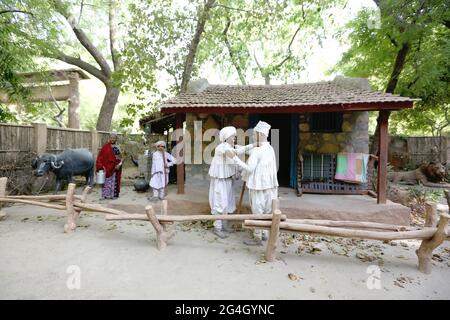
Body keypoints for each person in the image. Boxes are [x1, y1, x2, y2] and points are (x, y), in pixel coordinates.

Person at [230, 121, 279, 246]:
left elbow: (250, 168)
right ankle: (265, 233)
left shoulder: (257, 151)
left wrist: (235, 159)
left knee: (258, 210)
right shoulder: (270, 148)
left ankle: (257, 237)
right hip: (270, 185)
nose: (252, 136)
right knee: (267, 210)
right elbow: (254, 150)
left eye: (254, 134)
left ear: (260, 135)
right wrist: (242, 149)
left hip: (258, 186)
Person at [208, 126, 255, 239]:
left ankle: (224, 224)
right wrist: (247, 168)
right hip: (220, 180)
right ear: (227, 137)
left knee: (227, 202)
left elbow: (238, 150)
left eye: (234, 136)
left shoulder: (229, 146)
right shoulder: (222, 148)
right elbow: (234, 158)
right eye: (233, 136)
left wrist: (252, 146)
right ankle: (217, 227)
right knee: (220, 202)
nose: (234, 138)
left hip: (227, 179)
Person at [96, 133, 123, 199]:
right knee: (105, 182)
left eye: (114, 138)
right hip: (106, 168)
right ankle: (105, 195)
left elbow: (123, 157)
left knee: (114, 181)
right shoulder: (105, 147)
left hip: (115, 167)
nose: (112, 139)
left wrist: (119, 165)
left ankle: (113, 195)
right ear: (109, 138)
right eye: (111, 137)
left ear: (116, 139)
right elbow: (100, 157)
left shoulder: (119, 147)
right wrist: (101, 166)